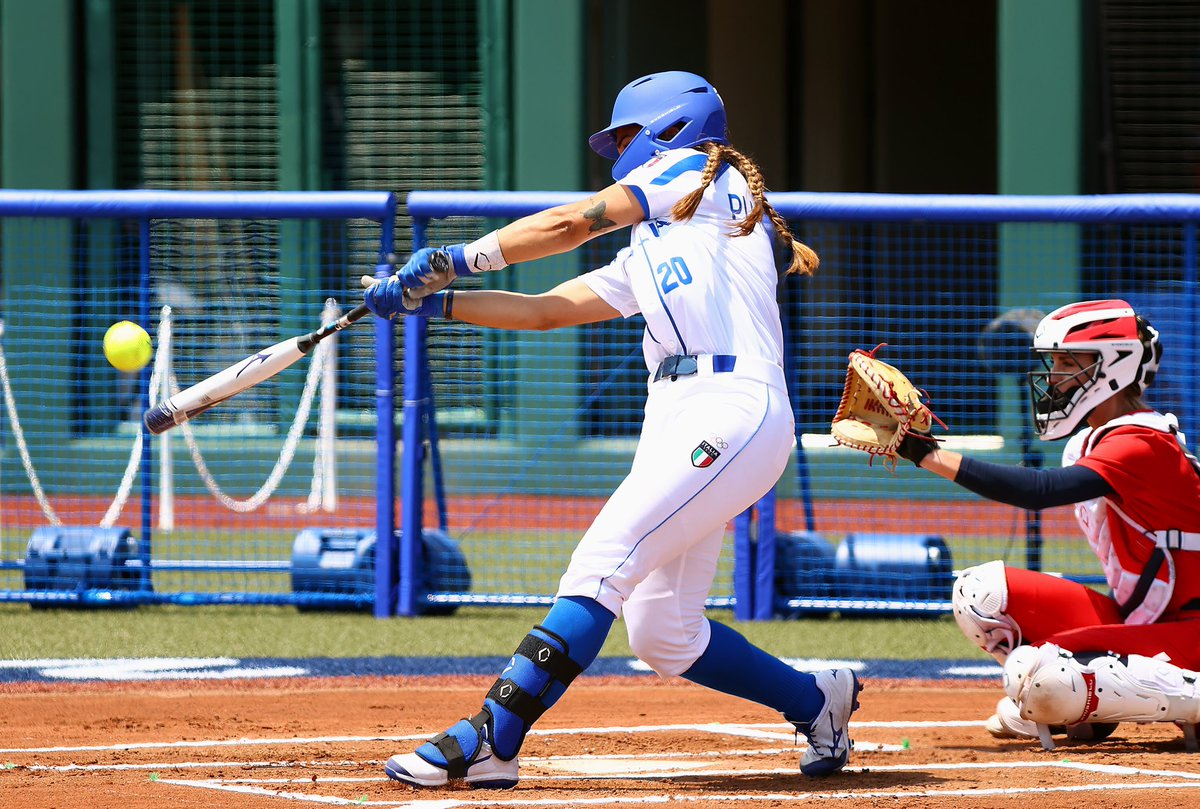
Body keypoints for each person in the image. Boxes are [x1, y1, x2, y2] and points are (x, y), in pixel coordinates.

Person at [363, 71, 861, 789]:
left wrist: (455, 259)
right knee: (665, 632)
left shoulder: (698, 170)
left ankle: (493, 734)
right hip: (678, 414)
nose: (618, 152)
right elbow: (544, 310)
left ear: (670, 128)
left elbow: (571, 224)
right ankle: (819, 701)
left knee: (603, 559)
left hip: (735, 404)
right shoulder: (661, 242)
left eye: (626, 136)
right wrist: (436, 305)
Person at [896, 299, 1200, 747]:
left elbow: (1038, 492)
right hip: (1146, 619)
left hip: (1189, 629)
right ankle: (1091, 701)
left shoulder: (1141, 443)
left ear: (1112, 368)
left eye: (1066, 362)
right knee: (979, 594)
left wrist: (927, 453)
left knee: (1046, 678)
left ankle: (1153, 693)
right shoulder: (1098, 439)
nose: (1053, 375)